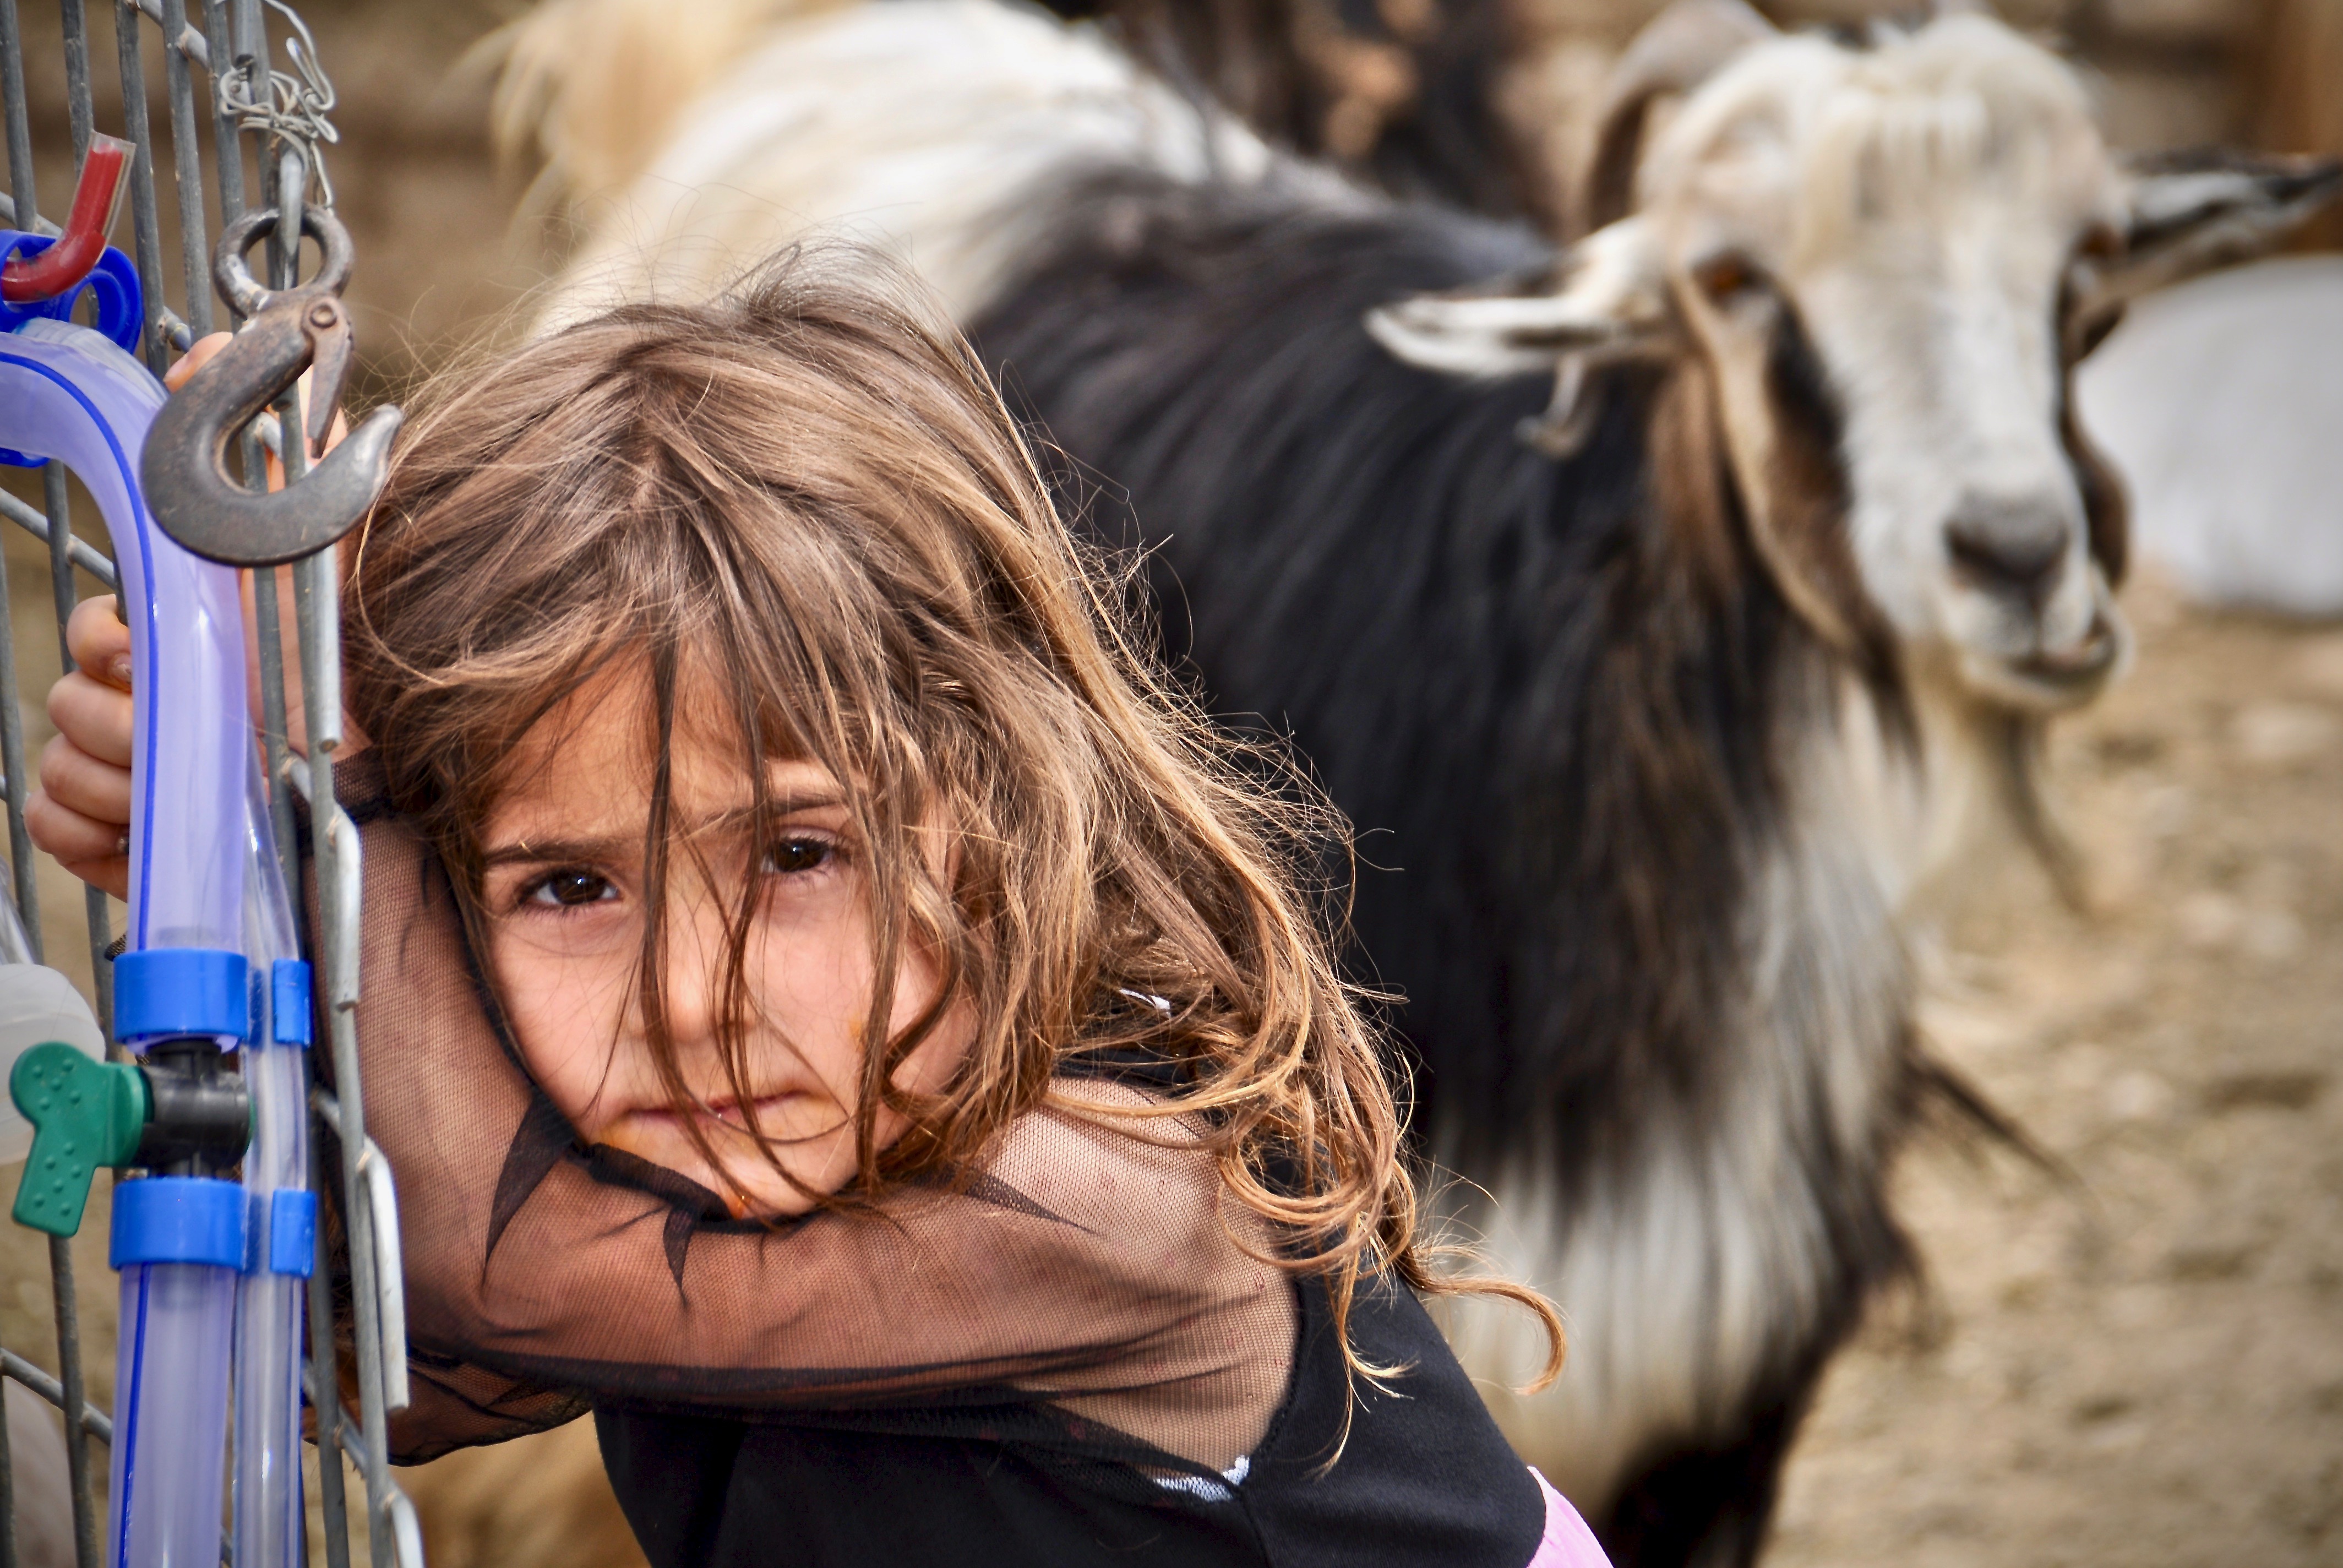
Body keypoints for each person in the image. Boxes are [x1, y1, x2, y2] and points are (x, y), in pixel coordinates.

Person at [29, 256, 1608, 1568]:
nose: (688, 1000)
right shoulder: (720, 1168)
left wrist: (310, 772)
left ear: (997, 815)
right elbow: (396, 1376)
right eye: (568, 886)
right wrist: (224, 813)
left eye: (797, 854)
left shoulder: (1127, 1199)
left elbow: (475, 1264)